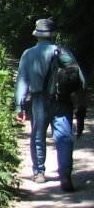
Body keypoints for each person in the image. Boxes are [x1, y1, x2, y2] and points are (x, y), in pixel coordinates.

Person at [15, 18, 87, 192]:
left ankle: (39, 172)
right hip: (62, 100)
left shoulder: (28, 54)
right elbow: (81, 80)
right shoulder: (62, 51)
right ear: (53, 34)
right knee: (64, 137)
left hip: (38, 101)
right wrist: (80, 102)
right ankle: (65, 174)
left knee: (38, 136)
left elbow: (22, 81)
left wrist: (20, 106)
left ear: (37, 35)